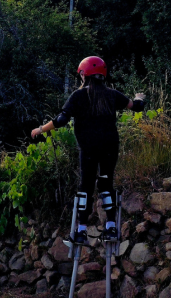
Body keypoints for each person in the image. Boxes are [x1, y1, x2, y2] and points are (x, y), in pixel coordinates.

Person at [31, 56, 145, 242]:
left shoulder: (78, 96)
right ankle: (111, 227)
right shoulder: (112, 94)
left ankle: (81, 230)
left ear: (84, 74)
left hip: (88, 148)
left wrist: (41, 129)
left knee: (86, 186)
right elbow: (137, 107)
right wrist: (139, 98)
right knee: (106, 184)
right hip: (110, 148)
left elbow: (61, 120)